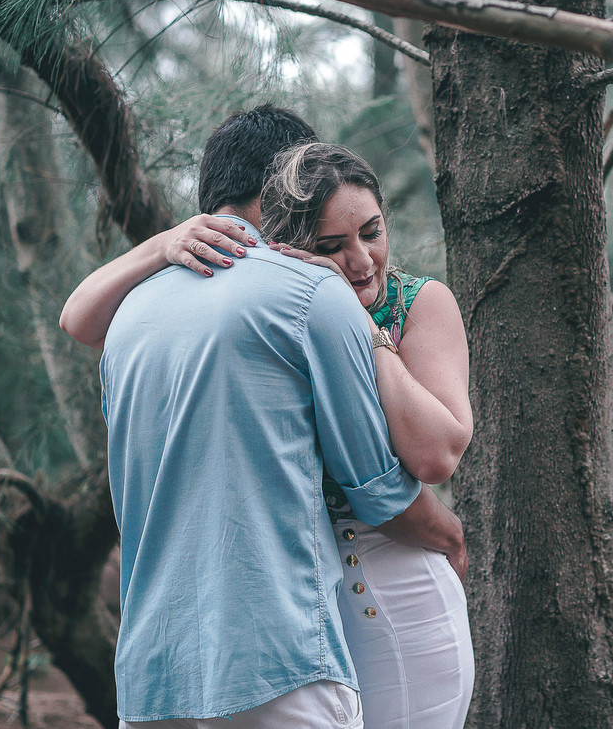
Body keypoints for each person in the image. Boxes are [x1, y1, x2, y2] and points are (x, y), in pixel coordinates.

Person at [63, 107, 475, 728]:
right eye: (329, 239)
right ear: (283, 195)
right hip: (290, 617)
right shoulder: (293, 292)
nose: (358, 258)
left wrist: (365, 331)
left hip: (326, 602)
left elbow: (435, 454)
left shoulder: (139, 315)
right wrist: (450, 534)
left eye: (370, 232)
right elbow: (376, 488)